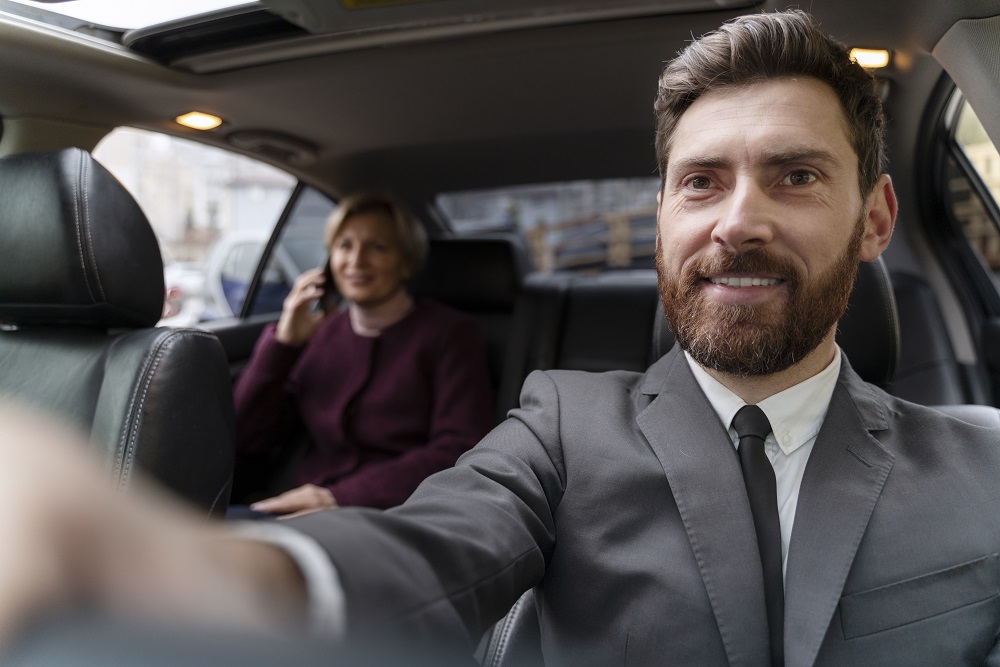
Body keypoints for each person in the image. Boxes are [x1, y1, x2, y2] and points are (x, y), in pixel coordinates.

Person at [0, 10, 998, 667]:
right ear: (659, 218)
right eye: (701, 181)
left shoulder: (982, 460)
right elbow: (430, 548)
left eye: (793, 176)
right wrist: (177, 571)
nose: (735, 219)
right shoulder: (565, 420)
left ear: (874, 219)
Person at [231, 192, 494, 515]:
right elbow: (246, 433)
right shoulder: (324, 332)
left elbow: (458, 445)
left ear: (406, 262)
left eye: (377, 247)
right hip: (302, 502)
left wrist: (338, 498)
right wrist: (283, 344)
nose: (356, 261)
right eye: (344, 246)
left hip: (397, 510)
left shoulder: (450, 333)